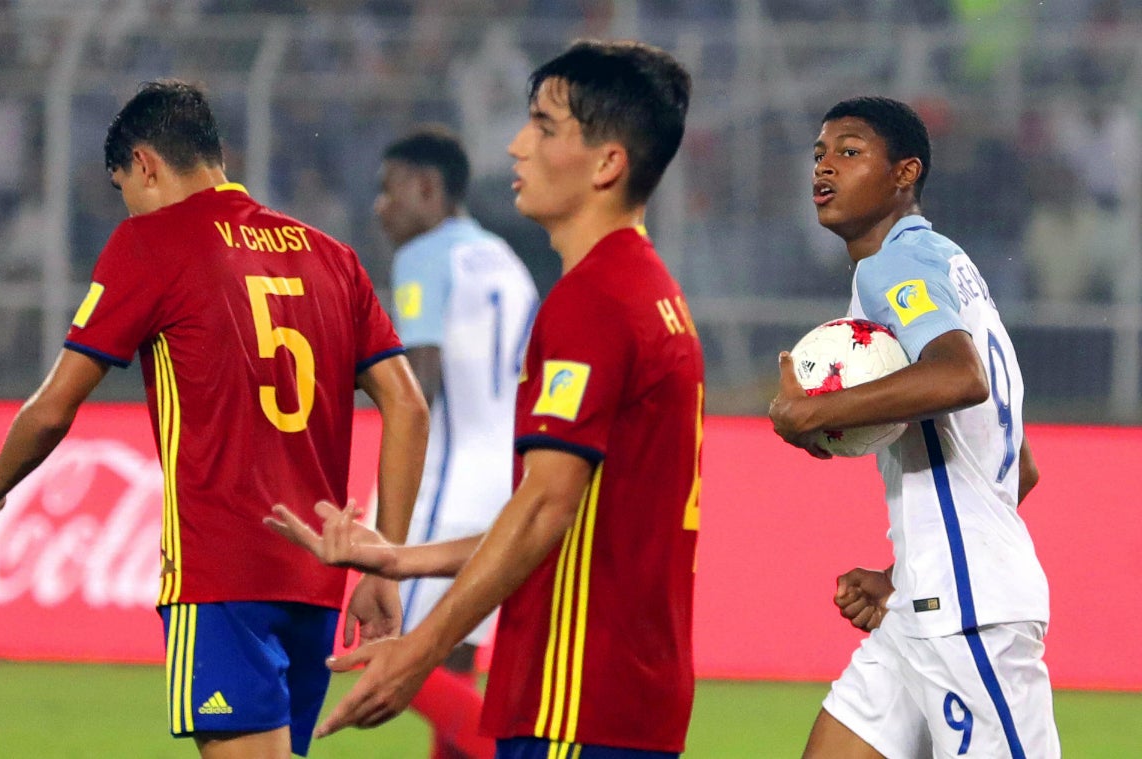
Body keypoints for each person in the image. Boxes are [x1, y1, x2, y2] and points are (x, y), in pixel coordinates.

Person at [0, 80, 429, 759]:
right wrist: (382, 561)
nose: (131, 205)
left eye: (126, 188)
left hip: (222, 572)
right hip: (319, 577)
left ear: (144, 165)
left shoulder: (152, 243)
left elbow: (54, 407)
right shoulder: (333, 257)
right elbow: (408, 404)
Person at [268, 39, 703, 758]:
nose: (516, 145)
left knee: (443, 674)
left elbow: (543, 509)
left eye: (544, 126)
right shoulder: (653, 294)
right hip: (623, 688)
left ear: (608, 163)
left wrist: (416, 649)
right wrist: (401, 560)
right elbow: (565, 519)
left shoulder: (594, 301)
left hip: (576, 698)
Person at [768, 96, 1059, 758]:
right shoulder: (946, 272)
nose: (825, 167)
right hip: (927, 601)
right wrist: (909, 572)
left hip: (971, 614)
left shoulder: (895, 263)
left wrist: (813, 411)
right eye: (818, 153)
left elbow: (960, 378)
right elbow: (1024, 465)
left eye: (848, 151)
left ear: (905, 174)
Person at [373, 125, 539, 759]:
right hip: (510, 477)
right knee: (454, 659)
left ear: (426, 187)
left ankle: (515, 752)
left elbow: (419, 385)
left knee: (385, 650)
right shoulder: (504, 256)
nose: (381, 207)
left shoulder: (424, 254)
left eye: (389, 191)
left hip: (450, 476)